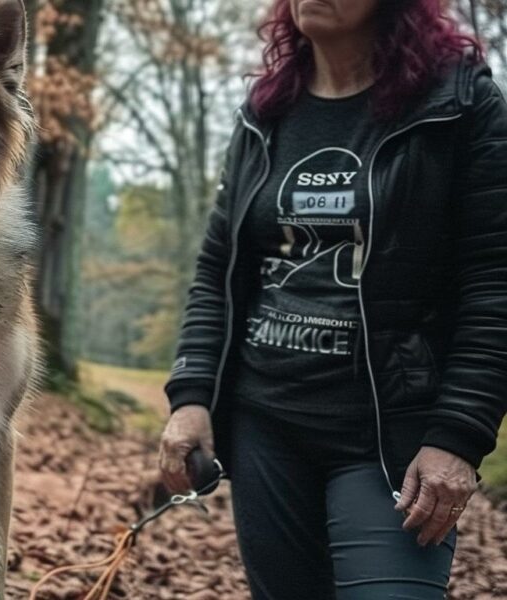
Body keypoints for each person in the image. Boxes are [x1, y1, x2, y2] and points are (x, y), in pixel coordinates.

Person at [157, 0, 507, 598]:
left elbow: (495, 282)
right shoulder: (266, 112)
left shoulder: (459, 105)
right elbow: (221, 268)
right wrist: (191, 397)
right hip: (266, 424)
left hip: (389, 433)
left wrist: (457, 436)